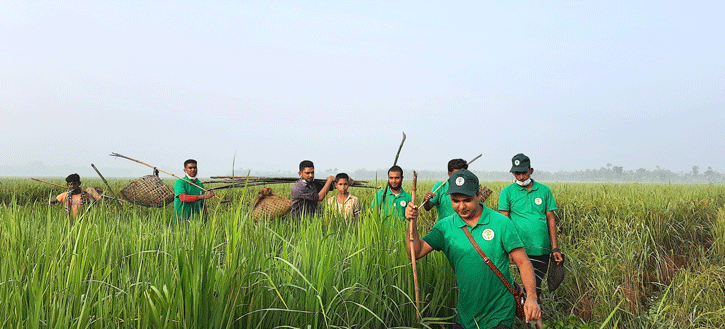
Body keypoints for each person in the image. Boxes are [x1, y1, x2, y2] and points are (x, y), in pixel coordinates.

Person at [406, 169, 540, 329]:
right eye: (455, 201)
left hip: (500, 314)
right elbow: (415, 252)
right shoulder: (444, 227)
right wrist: (412, 224)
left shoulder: (501, 223)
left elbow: (523, 262)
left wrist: (531, 298)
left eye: (467, 200)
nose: (461, 206)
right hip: (465, 315)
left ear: (478, 194)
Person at [498, 153, 562, 299]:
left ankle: (532, 314)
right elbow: (503, 221)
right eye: (517, 173)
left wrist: (555, 247)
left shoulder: (544, 190)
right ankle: (528, 314)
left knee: (536, 285)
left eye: (524, 173)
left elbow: (550, 219)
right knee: (525, 286)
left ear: (531, 170)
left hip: (541, 248)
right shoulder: (507, 192)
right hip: (519, 248)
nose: (521, 177)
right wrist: (507, 249)